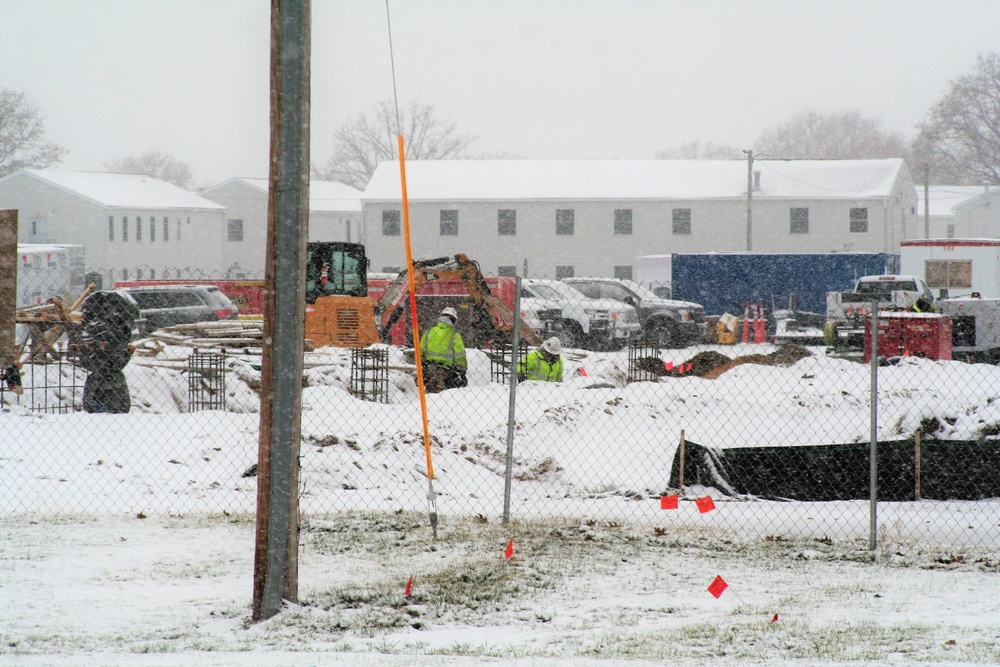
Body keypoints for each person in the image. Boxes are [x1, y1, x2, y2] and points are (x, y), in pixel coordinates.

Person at [419, 307, 468, 392]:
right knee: (446, 394)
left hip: (429, 369)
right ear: (453, 320)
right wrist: (462, 372)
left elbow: (420, 352)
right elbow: (460, 356)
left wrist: (423, 365)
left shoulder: (428, 332)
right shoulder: (454, 335)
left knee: (430, 393)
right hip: (447, 371)